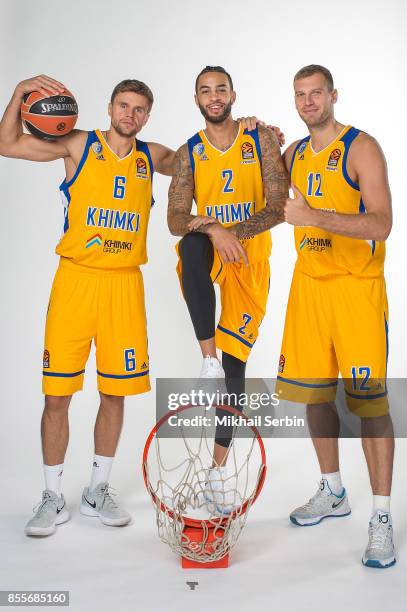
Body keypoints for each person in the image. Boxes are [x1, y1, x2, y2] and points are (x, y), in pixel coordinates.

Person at [0, 74, 175, 536]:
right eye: (123, 105)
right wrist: (20, 94)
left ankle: (98, 489)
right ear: (109, 107)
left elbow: (199, 162)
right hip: (76, 280)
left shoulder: (150, 156)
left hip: (124, 285)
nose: (129, 115)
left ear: (147, 115)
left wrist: (248, 134)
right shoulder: (78, 145)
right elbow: (9, 145)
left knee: (114, 392)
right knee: (57, 394)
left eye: (139, 109)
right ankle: (52, 496)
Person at [279, 65, 395, 568]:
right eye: (300, 95)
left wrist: (313, 217)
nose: (308, 102)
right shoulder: (293, 155)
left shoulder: (361, 147)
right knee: (315, 397)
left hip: (356, 292)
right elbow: (268, 204)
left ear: (333, 96)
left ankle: (382, 517)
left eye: (315, 94)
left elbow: (382, 223)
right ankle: (333, 491)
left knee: (370, 406)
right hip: (308, 290)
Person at [167, 65, 288, 513]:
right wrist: (215, 229)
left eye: (220, 89)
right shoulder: (189, 153)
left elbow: (277, 207)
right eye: (205, 90)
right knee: (191, 247)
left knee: (237, 367)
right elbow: (176, 218)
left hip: (251, 259)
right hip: (215, 245)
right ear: (196, 98)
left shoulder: (261, 139)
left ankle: (217, 472)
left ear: (233, 93)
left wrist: (233, 232)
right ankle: (207, 362)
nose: (214, 96)